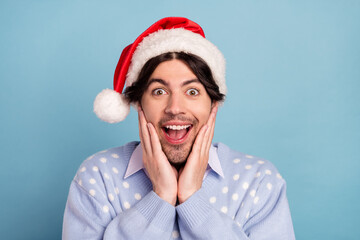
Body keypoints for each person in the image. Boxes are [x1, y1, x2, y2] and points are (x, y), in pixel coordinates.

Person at [62, 17, 295, 239]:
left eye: (192, 91)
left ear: (213, 104)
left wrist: (193, 200)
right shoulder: (98, 177)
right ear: (138, 103)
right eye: (159, 91)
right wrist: (160, 198)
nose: (175, 108)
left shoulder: (259, 182)